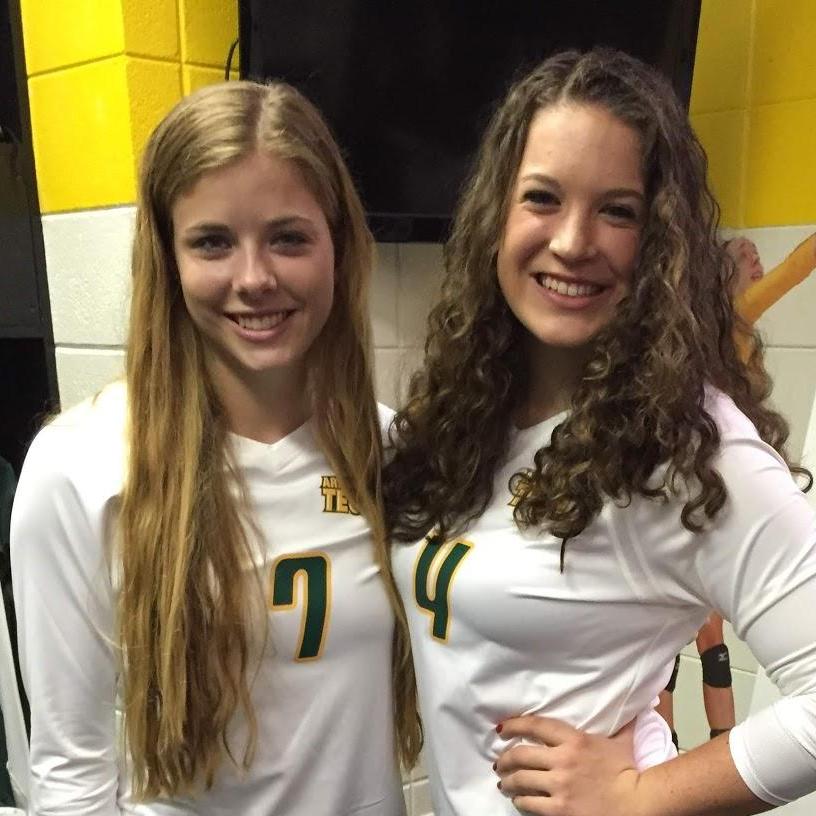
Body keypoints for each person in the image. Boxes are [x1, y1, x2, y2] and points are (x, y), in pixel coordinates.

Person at [383, 48, 816, 816]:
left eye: (617, 210)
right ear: (495, 214)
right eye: (542, 198)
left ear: (659, 241)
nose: (573, 241)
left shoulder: (687, 448)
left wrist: (638, 796)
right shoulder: (467, 413)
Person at [10, 81, 419, 815]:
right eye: (212, 242)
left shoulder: (390, 451)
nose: (254, 279)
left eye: (289, 238)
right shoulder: (80, 468)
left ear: (338, 245)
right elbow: (70, 771)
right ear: (168, 258)